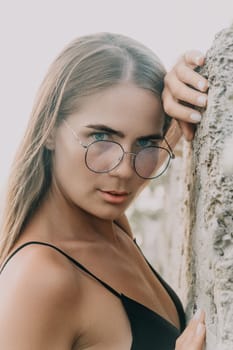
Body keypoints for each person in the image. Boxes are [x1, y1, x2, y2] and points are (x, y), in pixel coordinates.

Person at [0, 33, 208, 350]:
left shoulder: (108, 224)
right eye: (101, 137)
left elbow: (155, 151)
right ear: (50, 131)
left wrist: (188, 81)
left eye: (145, 142)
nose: (125, 170)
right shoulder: (40, 279)